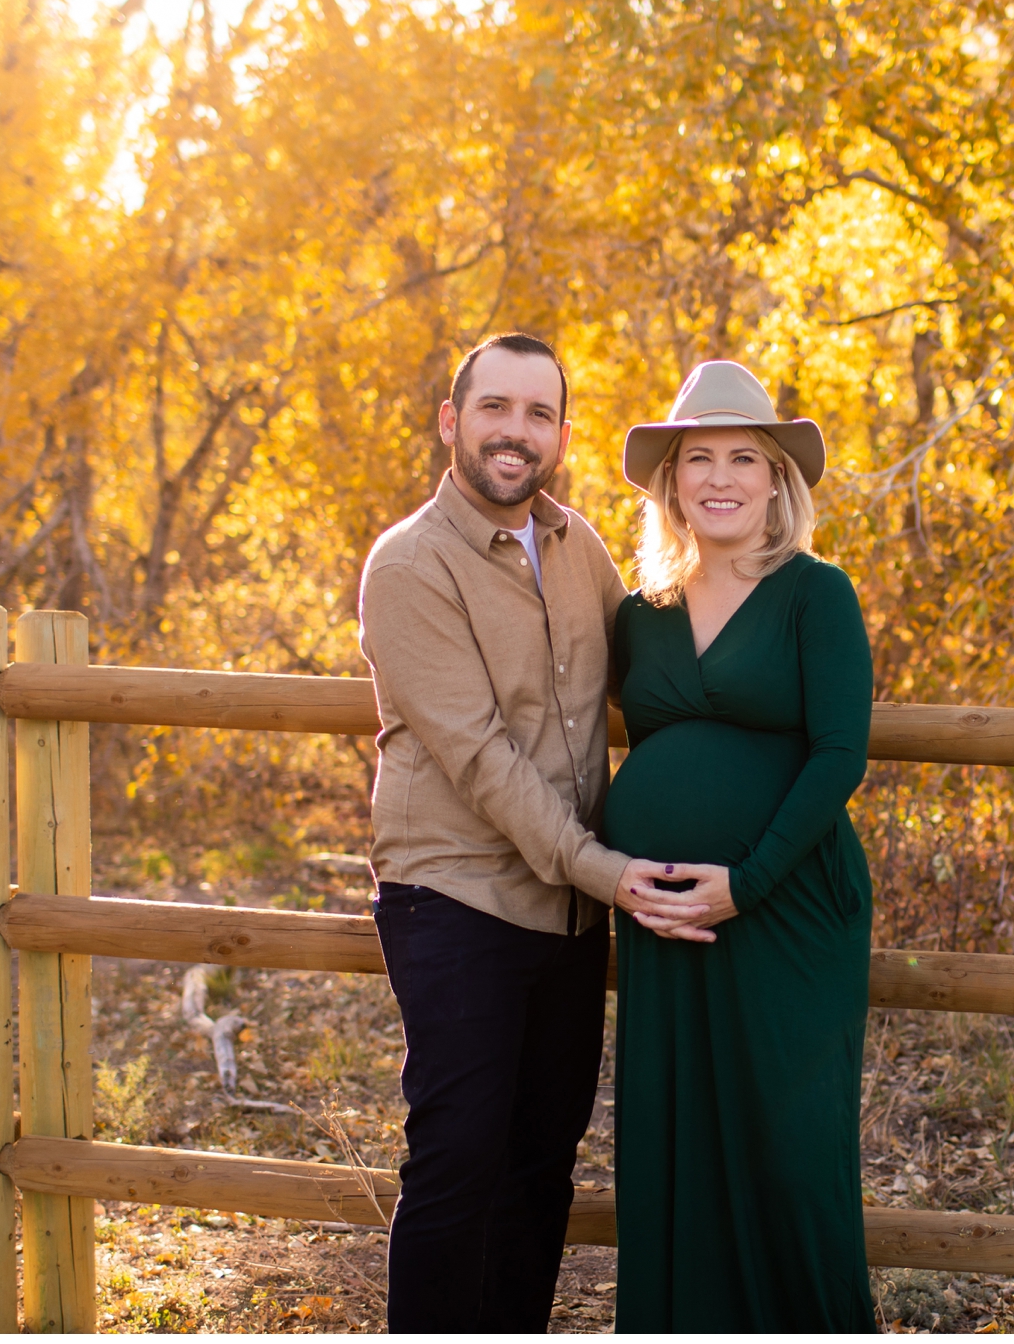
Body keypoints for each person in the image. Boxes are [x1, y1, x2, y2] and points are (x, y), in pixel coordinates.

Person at [357, 331, 717, 1333]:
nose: (517, 432)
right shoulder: (409, 564)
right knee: (459, 1158)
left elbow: (661, 668)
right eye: (496, 408)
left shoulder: (580, 546)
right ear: (452, 421)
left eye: (539, 413)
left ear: (561, 431)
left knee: (540, 1165)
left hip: (568, 909)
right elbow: (481, 761)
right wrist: (607, 872)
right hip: (458, 895)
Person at [605, 358, 878, 1332]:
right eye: (699, 458)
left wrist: (747, 881)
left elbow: (840, 754)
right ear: (673, 480)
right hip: (665, 921)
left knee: (787, 1153)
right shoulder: (640, 615)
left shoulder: (817, 594)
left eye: (743, 458)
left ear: (777, 480)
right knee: (677, 1148)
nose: (720, 476)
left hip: (786, 912)